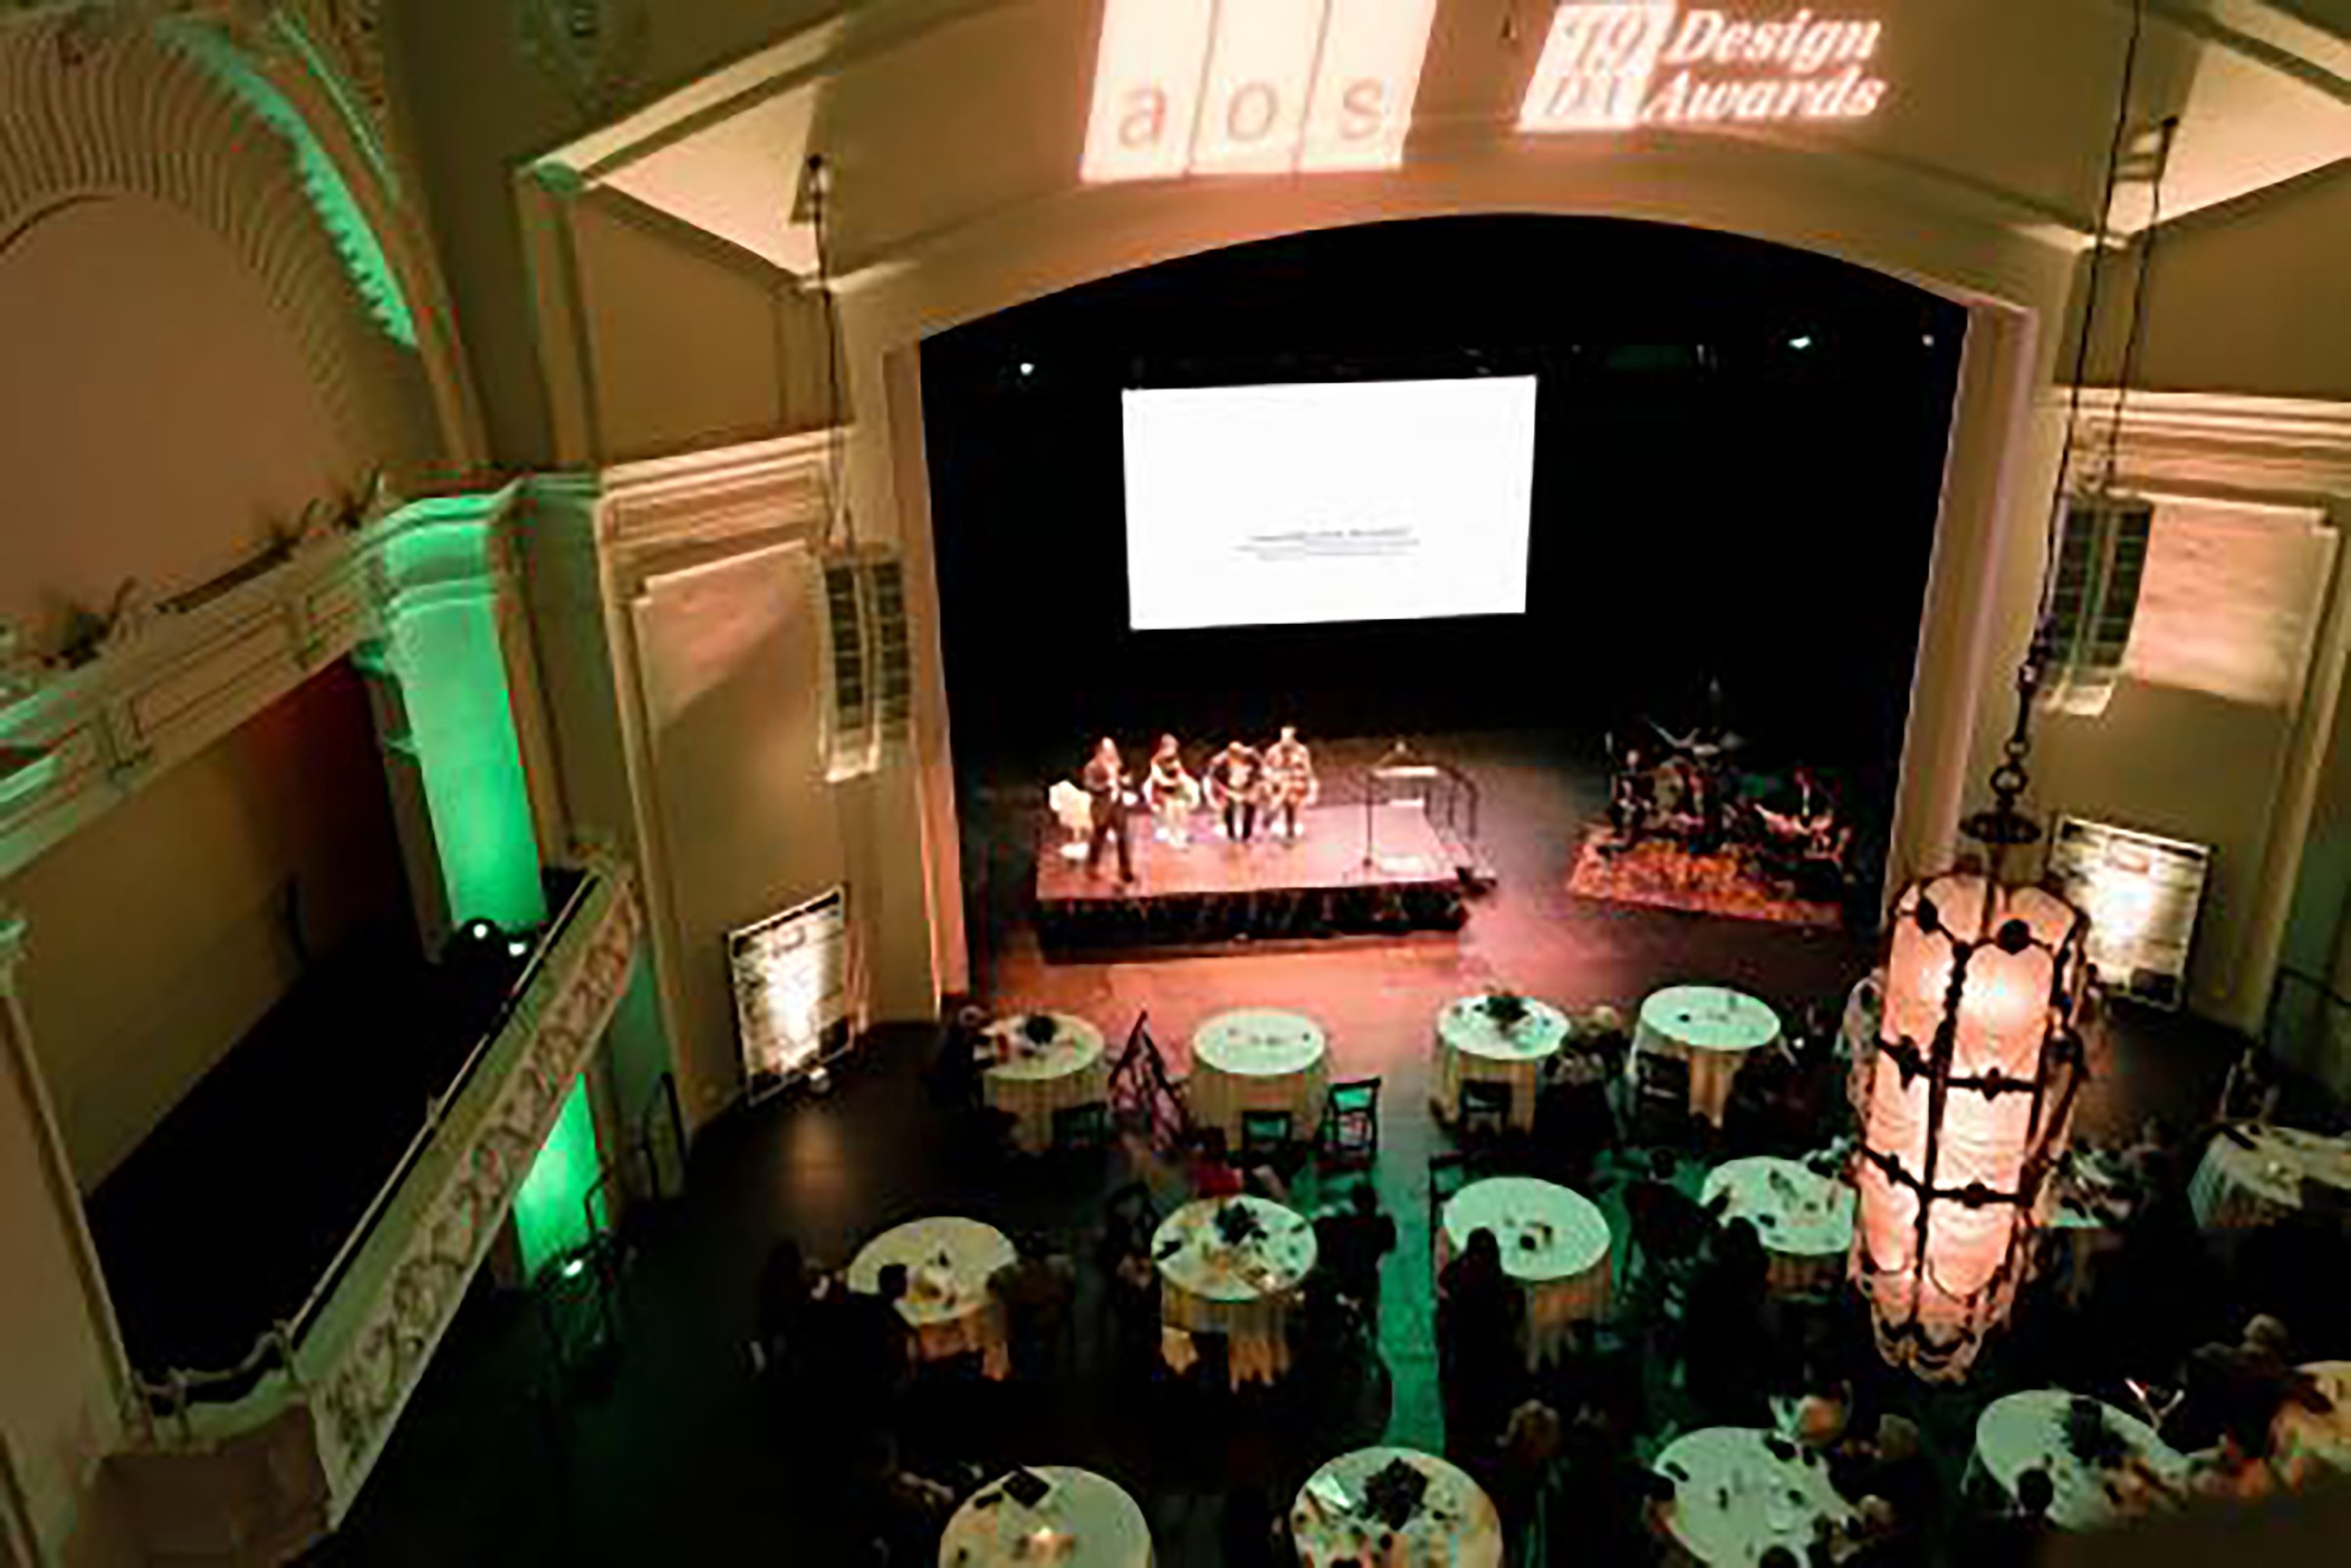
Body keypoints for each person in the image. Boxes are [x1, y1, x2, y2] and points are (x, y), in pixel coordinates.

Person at [1319, 1181, 1398, 1326]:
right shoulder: (1378, 1226)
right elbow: (1389, 1244)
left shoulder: (1341, 1225)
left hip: (1344, 1281)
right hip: (1366, 1281)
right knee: (1368, 1318)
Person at [1080, 736, 1135, 881]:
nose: (1111, 752)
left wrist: (1124, 782)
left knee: (1123, 838)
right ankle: (1092, 866)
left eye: (1112, 749)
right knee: (1098, 839)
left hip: (1117, 805)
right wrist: (1106, 785)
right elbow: (1089, 785)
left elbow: (1119, 781)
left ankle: (1125, 870)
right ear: (1100, 751)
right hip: (1102, 807)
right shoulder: (1092, 767)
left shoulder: (1116, 763)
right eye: (1107, 749)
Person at [1205, 736, 1266, 843]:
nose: (1239, 760)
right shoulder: (1219, 762)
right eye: (1236, 758)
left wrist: (1254, 789)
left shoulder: (1252, 756)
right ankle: (1231, 834)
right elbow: (1214, 781)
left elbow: (1261, 772)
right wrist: (1229, 793)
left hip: (1248, 786)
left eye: (1241, 756)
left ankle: (1246, 835)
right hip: (1228, 787)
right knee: (1229, 807)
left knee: (1251, 804)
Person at [1143, 733, 1200, 847]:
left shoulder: (1175, 759)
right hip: (1161, 790)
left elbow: (1181, 774)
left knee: (1181, 806)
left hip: (1175, 790)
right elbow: (1158, 779)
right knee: (1171, 806)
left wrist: (1189, 782)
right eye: (1171, 747)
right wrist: (1173, 782)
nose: (1174, 750)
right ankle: (1173, 836)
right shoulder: (1156, 761)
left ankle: (1181, 833)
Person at [1262, 725, 1317, 839]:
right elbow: (1265, 767)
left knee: (1290, 801)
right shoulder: (1273, 751)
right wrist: (1270, 777)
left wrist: (1311, 782)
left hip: (1295, 779)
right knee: (1285, 791)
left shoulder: (1301, 751)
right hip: (1278, 779)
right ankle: (1274, 812)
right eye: (1283, 738)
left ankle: (1275, 813)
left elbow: (1307, 768)